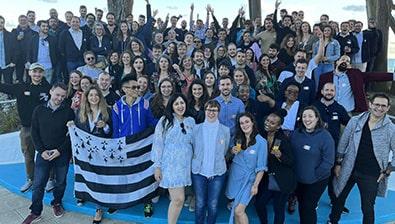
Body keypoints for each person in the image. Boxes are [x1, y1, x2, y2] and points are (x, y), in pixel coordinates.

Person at [329, 93, 395, 224]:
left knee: (367, 207)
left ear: (388, 108)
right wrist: (338, 163)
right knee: (338, 198)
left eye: (383, 106)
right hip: (349, 168)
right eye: (377, 104)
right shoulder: (355, 121)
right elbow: (344, 142)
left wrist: (388, 170)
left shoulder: (391, 129)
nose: (379, 108)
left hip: (371, 174)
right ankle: (332, 221)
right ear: (370, 104)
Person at [22, 83, 75, 224]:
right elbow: (34, 132)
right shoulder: (39, 110)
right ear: (51, 92)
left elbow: (70, 135)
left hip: (61, 153)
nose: (59, 98)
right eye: (57, 94)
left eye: (63, 96)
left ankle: (56, 202)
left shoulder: (68, 112)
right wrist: (41, 151)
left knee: (61, 182)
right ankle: (35, 212)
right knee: (39, 184)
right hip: (43, 153)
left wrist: (59, 151)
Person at [0, 63, 51, 192]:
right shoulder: (20, 87)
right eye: (34, 72)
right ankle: (30, 179)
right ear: (29, 72)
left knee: (48, 154)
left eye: (40, 72)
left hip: (44, 128)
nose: (37, 74)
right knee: (28, 155)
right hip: (27, 128)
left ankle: (51, 179)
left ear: (43, 73)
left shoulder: (48, 88)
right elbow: (2, 87)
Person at [111, 75, 157, 215]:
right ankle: (120, 202)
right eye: (134, 87)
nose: (139, 89)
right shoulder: (116, 107)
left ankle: (147, 202)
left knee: (144, 175)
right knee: (124, 175)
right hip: (124, 147)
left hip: (142, 147)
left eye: (139, 86)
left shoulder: (145, 104)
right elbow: (115, 129)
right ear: (125, 89)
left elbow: (151, 122)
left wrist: (165, 123)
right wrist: (116, 148)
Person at [69, 86, 112, 223]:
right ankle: (98, 208)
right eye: (91, 95)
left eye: (96, 95)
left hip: (102, 152)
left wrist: (104, 126)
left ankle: (107, 202)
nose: (94, 97)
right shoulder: (80, 113)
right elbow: (78, 130)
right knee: (91, 178)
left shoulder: (107, 111)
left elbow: (111, 133)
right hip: (86, 153)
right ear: (86, 98)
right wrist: (72, 126)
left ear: (100, 97)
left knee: (104, 178)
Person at [151, 93, 196, 224]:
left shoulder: (190, 121)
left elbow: (195, 142)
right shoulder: (165, 121)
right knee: (178, 199)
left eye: (182, 103)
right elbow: (158, 144)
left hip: (185, 166)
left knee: (177, 199)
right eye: (176, 103)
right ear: (172, 106)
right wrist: (157, 167)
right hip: (170, 165)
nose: (180, 106)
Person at [290, 106, 335, 224]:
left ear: (317, 119)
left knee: (309, 207)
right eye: (304, 116)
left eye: (310, 116)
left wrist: (313, 176)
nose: (307, 119)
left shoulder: (325, 137)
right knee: (302, 205)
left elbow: (328, 161)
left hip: (317, 181)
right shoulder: (296, 134)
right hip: (299, 180)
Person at [192, 100, 230, 224]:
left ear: (218, 112)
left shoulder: (225, 130)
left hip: (218, 173)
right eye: (209, 109)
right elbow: (193, 148)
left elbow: (224, 151)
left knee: (213, 204)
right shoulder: (196, 129)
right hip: (199, 172)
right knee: (200, 203)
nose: (211, 113)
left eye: (214, 110)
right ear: (205, 110)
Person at [255, 110, 296, 224]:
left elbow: (291, 161)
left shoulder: (283, 140)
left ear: (278, 127)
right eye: (267, 120)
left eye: (272, 123)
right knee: (259, 204)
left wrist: (280, 155)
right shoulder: (261, 135)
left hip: (281, 180)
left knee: (278, 209)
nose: (268, 123)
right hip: (268, 178)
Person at [226, 112, 267, 224]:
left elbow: (261, 167)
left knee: (239, 211)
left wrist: (255, 185)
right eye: (241, 123)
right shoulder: (238, 138)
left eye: (247, 122)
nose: (244, 125)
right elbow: (229, 153)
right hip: (235, 177)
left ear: (252, 122)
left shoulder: (261, 142)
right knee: (235, 210)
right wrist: (232, 151)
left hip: (249, 180)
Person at [318, 55, 395, 113]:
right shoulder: (325, 77)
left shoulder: (356, 75)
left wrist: (393, 76)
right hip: (329, 111)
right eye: (343, 59)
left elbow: (374, 76)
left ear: (349, 65)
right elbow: (319, 94)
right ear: (337, 62)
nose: (345, 61)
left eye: (347, 61)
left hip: (347, 112)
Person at [215, 75, 245, 140]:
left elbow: (242, 123)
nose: (225, 87)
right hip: (217, 140)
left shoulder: (239, 103)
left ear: (232, 86)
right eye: (223, 85)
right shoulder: (213, 103)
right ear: (219, 87)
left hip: (234, 141)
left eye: (228, 84)